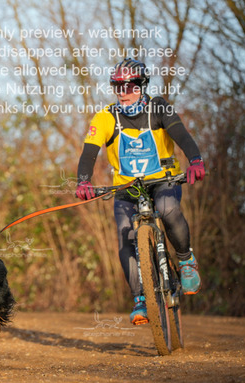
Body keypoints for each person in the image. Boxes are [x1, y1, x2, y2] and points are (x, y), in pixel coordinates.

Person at [75, 58, 205, 325]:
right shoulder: (105, 117)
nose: (123, 93)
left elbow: (181, 135)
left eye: (129, 86)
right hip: (126, 187)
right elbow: (89, 153)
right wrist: (83, 181)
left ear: (142, 86)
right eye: (117, 87)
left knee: (168, 209)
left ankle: (186, 261)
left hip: (164, 180)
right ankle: (140, 300)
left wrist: (195, 160)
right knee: (125, 235)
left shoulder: (159, 107)